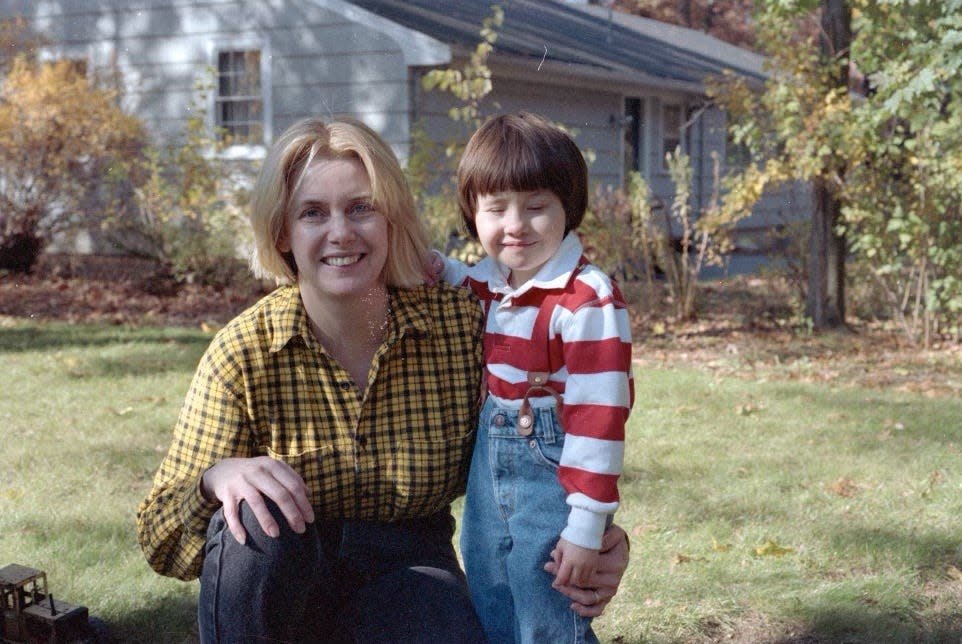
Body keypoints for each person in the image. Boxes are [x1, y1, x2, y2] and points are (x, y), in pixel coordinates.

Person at [135, 116, 629, 643]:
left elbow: (547, 436)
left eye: (361, 208)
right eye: (312, 213)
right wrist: (218, 477)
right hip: (282, 587)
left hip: (409, 574)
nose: (340, 232)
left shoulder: (460, 324)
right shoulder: (245, 354)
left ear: (391, 217)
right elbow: (160, 533)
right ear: (283, 230)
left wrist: (594, 536)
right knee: (255, 514)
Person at [434, 111, 634, 643]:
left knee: (545, 592)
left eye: (536, 207)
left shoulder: (587, 300)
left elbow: (599, 421)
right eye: (496, 209)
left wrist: (587, 525)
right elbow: (455, 274)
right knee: (489, 577)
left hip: (554, 462)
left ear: (568, 208)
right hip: (490, 461)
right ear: (472, 215)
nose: (516, 225)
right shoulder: (492, 282)